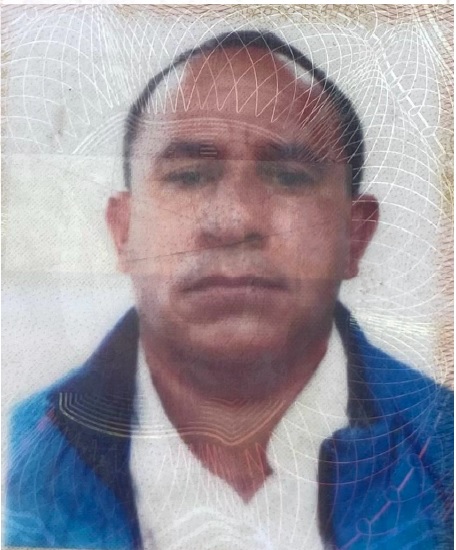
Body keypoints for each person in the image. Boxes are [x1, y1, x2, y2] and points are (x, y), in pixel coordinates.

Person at [5, 30, 453, 550]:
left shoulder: (444, 450)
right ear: (124, 232)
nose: (234, 221)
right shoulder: (20, 454)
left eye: (289, 177)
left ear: (355, 236)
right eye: (189, 176)